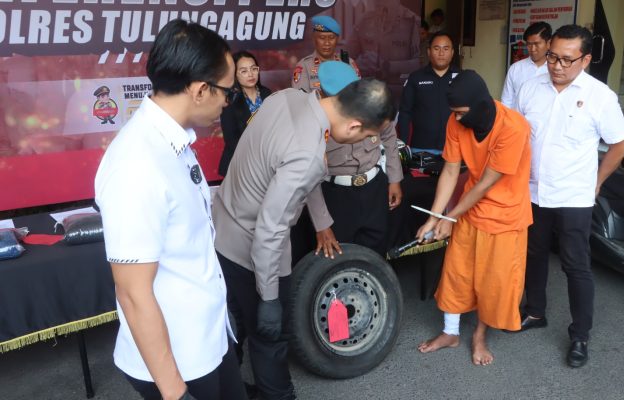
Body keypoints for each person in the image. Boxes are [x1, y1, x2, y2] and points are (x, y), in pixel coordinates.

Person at [213, 79, 395, 400]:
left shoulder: (288, 98)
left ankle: (226, 390)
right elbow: (270, 229)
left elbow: (290, 167)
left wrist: (323, 222)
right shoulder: (308, 154)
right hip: (253, 251)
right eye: (366, 135)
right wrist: (269, 298)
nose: (366, 139)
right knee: (269, 337)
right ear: (353, 125)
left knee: (235, 325)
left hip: (224, 231)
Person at [94, 19, 247, 400]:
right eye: (227, 92)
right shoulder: (137, 164)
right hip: (178, 362)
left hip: (208, 338)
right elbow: (132, 293)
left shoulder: (173, 143)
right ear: (199, 90)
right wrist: (174, 392)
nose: (228, 103)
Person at [512, 24, 624, 368]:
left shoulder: (599, 96)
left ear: (586, 59)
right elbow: (519, 134)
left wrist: (597, 181)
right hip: (533, 191)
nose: (556, 66)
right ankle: (535, 312)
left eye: (566, 59)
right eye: (552, 57)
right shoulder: (530, 87)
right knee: (533, 254)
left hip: (574, 196)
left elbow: (620, 144)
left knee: (575, 265)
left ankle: (580, 335)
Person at [415, 70, 532, 366]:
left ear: (480, 106)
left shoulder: (513, 127)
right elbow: (451, 170)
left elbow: (485, 184)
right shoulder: (456, 122)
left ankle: (479, 336)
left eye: (460, 113)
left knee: (493, 282)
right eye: (452, 113)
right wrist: (434, 217)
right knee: (457, 271)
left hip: (505, 215)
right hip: (470, 208)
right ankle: (450, 333)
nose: (455, 119)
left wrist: (449, 217)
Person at [307, 61, 403, 258]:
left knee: (375, 253)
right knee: (336, 257)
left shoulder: (369, 105)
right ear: (325, 95)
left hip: (373, 189)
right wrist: (321, 223)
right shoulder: (312, 121)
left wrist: (394, 179)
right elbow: (309, 178)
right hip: (335, 195)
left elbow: (389, 137)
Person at [398, 32, 460, 154]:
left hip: (455, 147)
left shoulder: (462, 78)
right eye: (436, 48)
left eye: (446, 49)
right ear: (429, 52)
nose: (441, 53)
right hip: (421, 147)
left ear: (452, 52)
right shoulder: (416, 78)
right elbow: (405, 112)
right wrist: (403, 145)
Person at [218, 50, 272, 177]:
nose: (251, 74)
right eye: (244, 71)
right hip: (239, 165)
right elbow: (231, 139)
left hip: (267, 162)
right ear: (235, 74)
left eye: (254, 69)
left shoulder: (267, 93)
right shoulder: (230, 100)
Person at [291, 15, 360, 92]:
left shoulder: (348, 63)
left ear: (337, 39)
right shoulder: (304, 66)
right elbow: (301, 97)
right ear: (314, 39)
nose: (327, 43)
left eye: (331, 38)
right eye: (322, 38)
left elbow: (357, 93)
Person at [501, 22, 552, 109]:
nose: (532, 49)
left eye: (537, 44)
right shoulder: (515, 68)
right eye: (529, 44)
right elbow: (506, 102)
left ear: (548, 43)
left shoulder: (555, 69)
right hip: (518, 121)